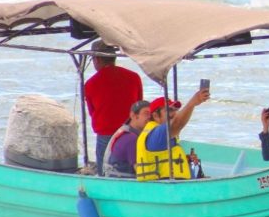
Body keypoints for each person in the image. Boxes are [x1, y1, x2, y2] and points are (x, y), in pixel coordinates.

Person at [84, 40, 143, 176]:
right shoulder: (134, 78)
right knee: (133, 173)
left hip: (106, 134)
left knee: (105, 174)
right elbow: (139, 106)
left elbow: (93, 113)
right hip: (130, 133)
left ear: (97, 59)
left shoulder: (91, 84)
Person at [136, 88, 210, 181]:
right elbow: (177, 123)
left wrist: (186, 160)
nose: (174, 114)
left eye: (175, 110)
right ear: (155, 116)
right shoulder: (157, 134)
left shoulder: (160, 133)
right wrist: (192, 103)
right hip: (164, 191)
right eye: (169, 110)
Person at [104, 100, 151, 178]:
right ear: (133, 116)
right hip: (122, 184)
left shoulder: (127, 131)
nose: (150, 117)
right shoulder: (131, 139)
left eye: (151, 114)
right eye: (146, 114)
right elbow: (142, 174)